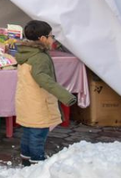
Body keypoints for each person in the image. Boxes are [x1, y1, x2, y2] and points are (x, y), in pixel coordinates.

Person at [15, 21, 76, 166]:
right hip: (37, 103)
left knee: (28, 132)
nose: (52, 39)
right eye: (51, 36)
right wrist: (66, 96)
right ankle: (37, 164)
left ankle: (26, 160)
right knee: (38, 135)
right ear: (42, 38)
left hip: (25, 100)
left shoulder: (25, 53)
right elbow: (45, 80)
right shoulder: (40, 57)